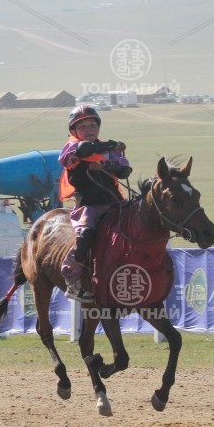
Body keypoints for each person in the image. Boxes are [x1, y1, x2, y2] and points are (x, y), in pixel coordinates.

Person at [58, 105, 132, 302]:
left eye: (92, 125)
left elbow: (124, 171)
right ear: (74, 131)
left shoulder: (109, 149)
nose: (89, 130)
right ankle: (73, 280)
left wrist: (112, 163)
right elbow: (82, 151)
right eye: (83, 127)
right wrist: (107, 149)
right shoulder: (71, 148)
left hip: (115, 203)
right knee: (86, 235)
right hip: (89, 206)